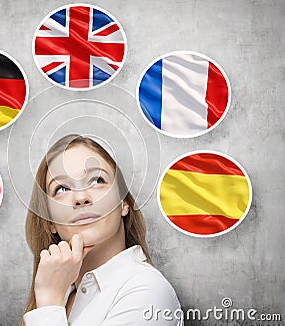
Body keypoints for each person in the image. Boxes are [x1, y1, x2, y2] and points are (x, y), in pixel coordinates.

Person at [20, 134, 183, 325]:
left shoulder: (148, 291)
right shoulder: (62, 294)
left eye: (97, 180)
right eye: (62, 188)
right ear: (50, 222)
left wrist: (48, 304)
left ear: (123, 203)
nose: (81, 197)